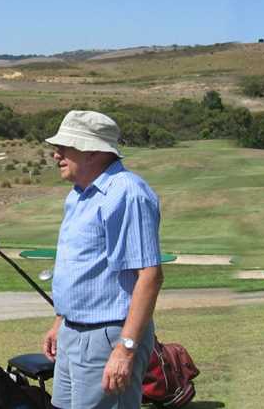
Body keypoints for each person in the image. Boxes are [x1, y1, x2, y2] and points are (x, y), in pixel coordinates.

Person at [42, 110, 163, 409]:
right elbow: (84, 266)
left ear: (93, 151)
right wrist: (61, 321)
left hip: (109, 336)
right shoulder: (78, 195)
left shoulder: (126, 193)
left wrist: (125, 349)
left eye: (65, 147)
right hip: (73, 330)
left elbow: (149, 275)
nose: (56, 154)